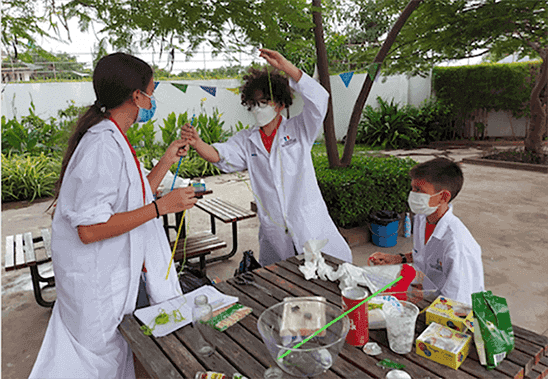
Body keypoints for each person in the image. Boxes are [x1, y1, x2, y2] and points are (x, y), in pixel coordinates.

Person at [29, 52, 197, 379]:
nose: (152, 100)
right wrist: (162, 207)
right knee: (95, 366)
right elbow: (89, 230)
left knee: (115, 358)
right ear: (137, 96)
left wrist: (165, 160)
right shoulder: (101, 146)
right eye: (150, 92)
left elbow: (132, 199)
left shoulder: (114, 139)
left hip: (112, 273)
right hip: (96, 284)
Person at [181, 48, 352, 266]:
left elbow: (320, 100)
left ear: (280, 104)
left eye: (263, 102)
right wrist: (197, 143)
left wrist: (286, 68)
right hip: (275, 230)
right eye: (253, 103)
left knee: (327, 273)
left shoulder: (299, 129)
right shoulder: (246, 139)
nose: (257, 108)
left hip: (309, 223)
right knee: (284, 278)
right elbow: (219, 155)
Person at [369, 158, 484, 305]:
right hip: (426, 294)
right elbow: (424, 255)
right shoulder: (422, 219)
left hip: (452, 311)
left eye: (419, 190)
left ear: (443, 196)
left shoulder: (457, 245)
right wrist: (396, 259)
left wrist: (421, 297)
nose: (412, 195)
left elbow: (458, 307)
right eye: (413, 188)